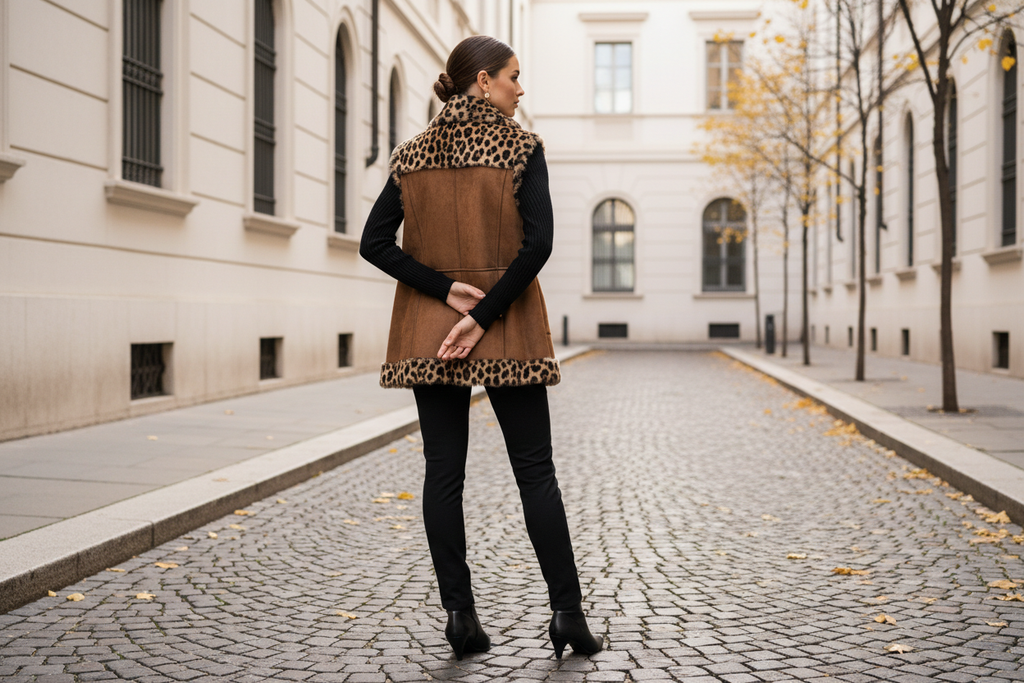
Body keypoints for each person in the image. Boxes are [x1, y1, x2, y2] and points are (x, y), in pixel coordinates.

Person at [359, 35, 602, 661]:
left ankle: (460, 619)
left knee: (443, 473)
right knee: (535, 472)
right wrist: (486, 311)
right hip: (508, 324)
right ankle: (567, 615)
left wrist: (446, 293)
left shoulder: (412, 155)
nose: (521, 90)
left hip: (431, 329)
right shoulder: (521, 148)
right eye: (515, 77)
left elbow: (375, 243)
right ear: (485, 80)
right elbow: (539, 244)